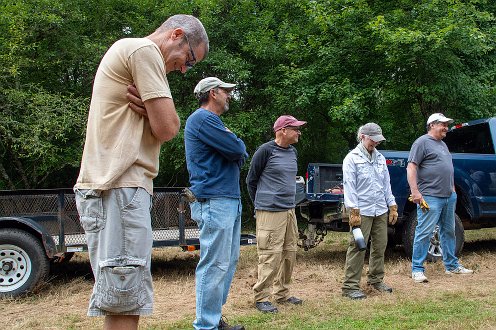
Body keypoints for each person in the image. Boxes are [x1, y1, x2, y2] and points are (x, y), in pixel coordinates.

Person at [73, 15, 208, 330]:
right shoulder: (143, 51)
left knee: (124, 300)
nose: (185, 69)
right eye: (188, 58)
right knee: (124, 303)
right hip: (120, 187)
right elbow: (168, 127)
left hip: (115, 188)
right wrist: (157, 113)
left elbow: (166, 124)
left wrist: (153, 108)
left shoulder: (130, 51)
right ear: (176, 35)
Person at [185, 77, 248, 330]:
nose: (229, 95)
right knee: (215, 264)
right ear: (213, 93)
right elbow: (237, 150)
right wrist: (236, 143)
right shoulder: (202, 119)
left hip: (227, 199)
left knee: (227, 262)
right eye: (226, 91)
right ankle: (206, 325)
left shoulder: (212, 122)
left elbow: (240, 153)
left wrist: (236, 146)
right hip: (214, 199)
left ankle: (213, 319)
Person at [246, 115, 307, 313]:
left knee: (290, 253)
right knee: (270, 255)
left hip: (289, 210)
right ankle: (261, 297)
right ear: (282, 130)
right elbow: (251, 180)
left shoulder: (293, 152)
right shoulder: (265, 151)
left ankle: (282, 293)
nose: (299, 132)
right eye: (295, 129)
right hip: (270, 211)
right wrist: (260, 205)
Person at [407, 113, 473, 283]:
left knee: (449, 231)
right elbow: (411, 167)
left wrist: (453, 191)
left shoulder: (442, 144)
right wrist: (415, 192)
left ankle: (451, 266)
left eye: (446, 124)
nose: (446, 128)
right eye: (443, 124)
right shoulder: (421, 142)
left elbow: (447, 169)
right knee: (424, 232)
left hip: (448, 197)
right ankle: (417, 269)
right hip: (429, 197)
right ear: (432, 125)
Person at [341, 123, 398, 300]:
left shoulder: (380, 158)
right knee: (357, 247)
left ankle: (375, 280)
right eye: (372, 139)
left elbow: (386, 184)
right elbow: (349, 186)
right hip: (362, 210)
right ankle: (350, 287)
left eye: (377, 140)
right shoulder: (352, 158)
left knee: (380, 245)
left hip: (380, 209)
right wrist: (354, 211)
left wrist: (392, 205)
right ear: (362, 137)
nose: (375, 143)